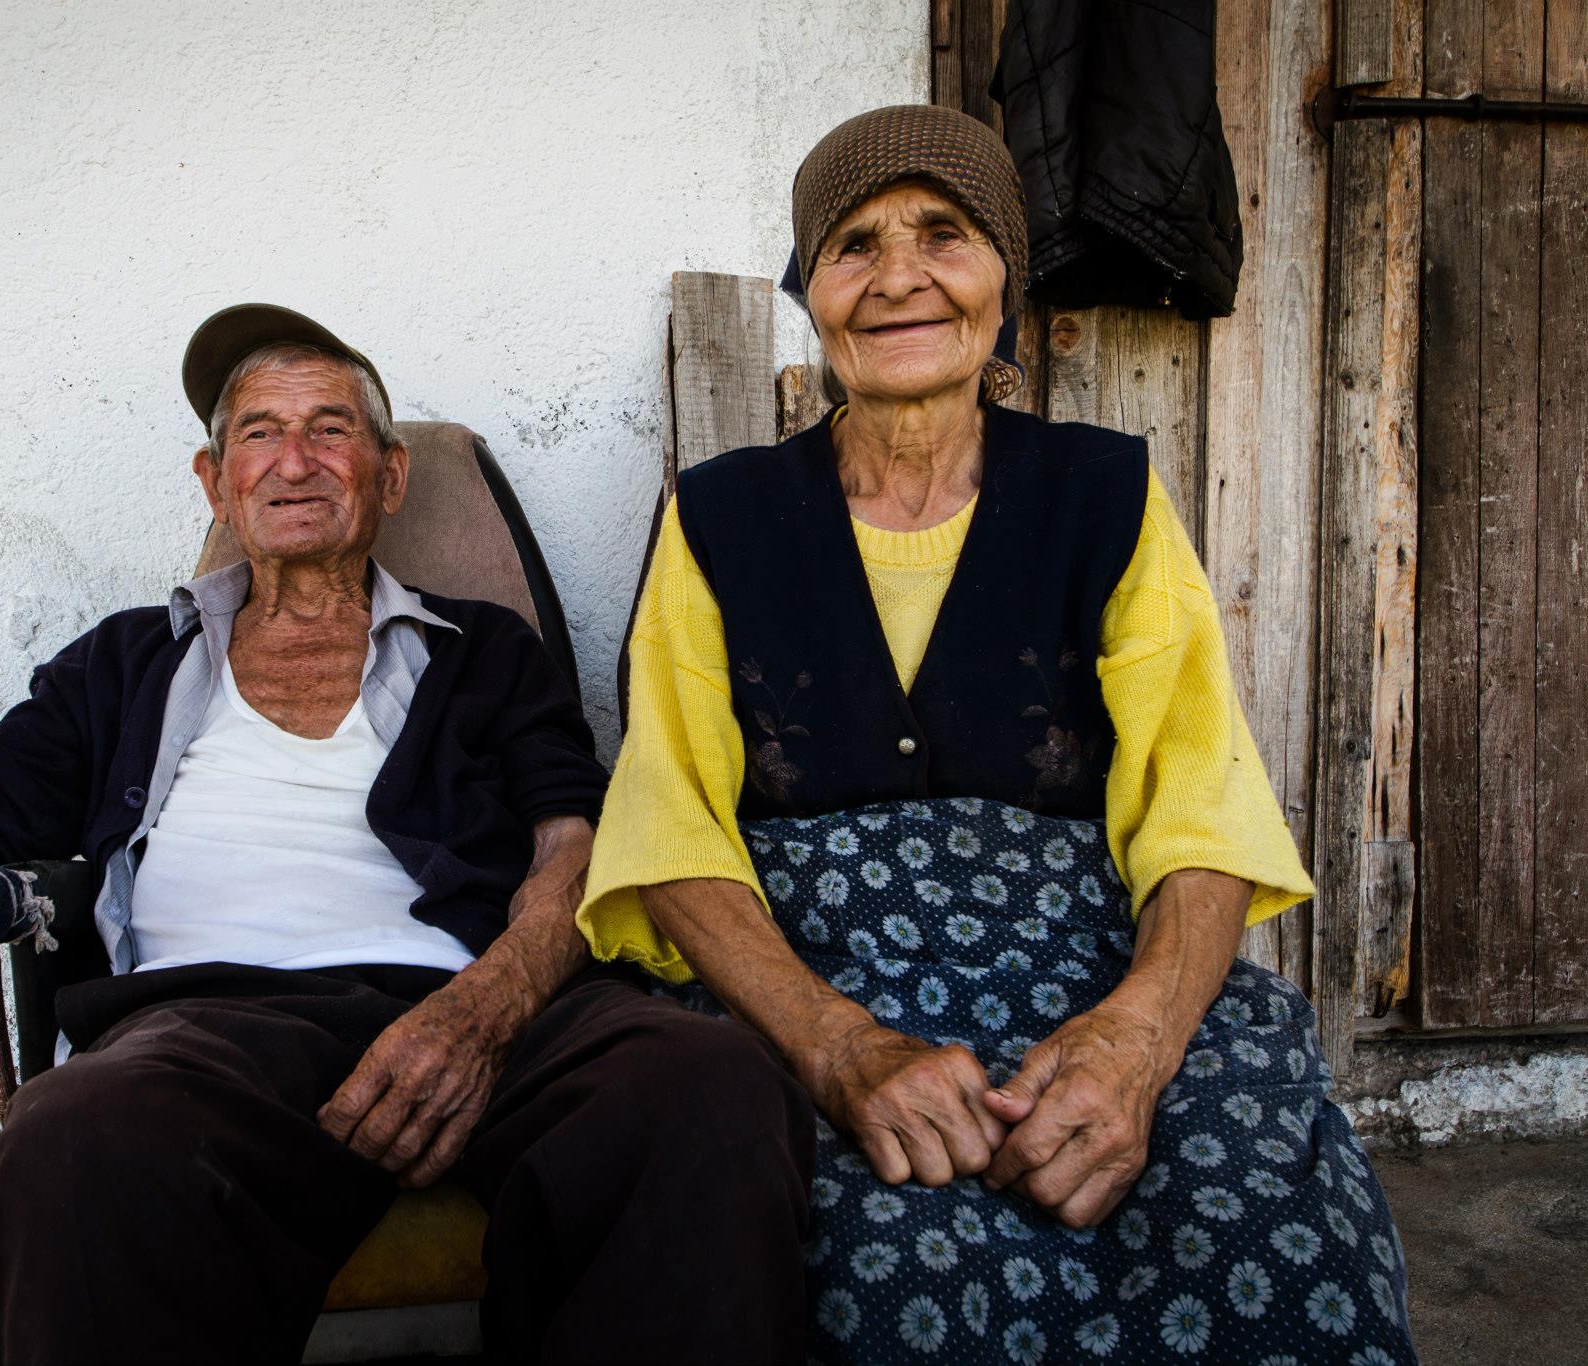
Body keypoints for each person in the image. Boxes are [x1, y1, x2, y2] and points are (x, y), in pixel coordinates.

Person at [578, 106, 1420, 1365]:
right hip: (814, 979)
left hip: (1092, 975)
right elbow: (669, 826)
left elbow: (1199, 806)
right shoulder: (718, 518)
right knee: (872, 1265)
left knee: (1269, 1232)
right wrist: (837, 1048)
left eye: (942, 234)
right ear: (811, 292)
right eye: (852, 244)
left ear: (1003, 280)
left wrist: (1132, 1043)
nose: (897, 276)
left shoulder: (1104, 495)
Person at [0, 304, 812, 1364]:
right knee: (70, 1145)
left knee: (708, 1085)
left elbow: (575, 846)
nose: (294, 460)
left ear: (390, 477)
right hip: (204, 1029)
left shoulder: (483, 650)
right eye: (258, 432)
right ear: (215, 483)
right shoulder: (123, 663)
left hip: (471, 1003)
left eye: (330, 428)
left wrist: (482, 1014)